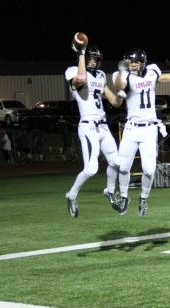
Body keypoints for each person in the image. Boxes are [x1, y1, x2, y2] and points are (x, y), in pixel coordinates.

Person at [112, 48, 170, 217]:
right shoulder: (124, 75)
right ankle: (124, 196)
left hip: (149, 129)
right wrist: (121, 72)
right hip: (131, 128)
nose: (133, 65)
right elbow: (120, 86)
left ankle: (144, 197)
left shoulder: (153, 72)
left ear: (143, 63)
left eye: (136, 62)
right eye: (131, 62)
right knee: (123, 167)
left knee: (149, 169)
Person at [64, 43, 125, 218]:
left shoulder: (100, 75)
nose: (93, 62)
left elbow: (113, 101)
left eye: (95, 59)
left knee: (117, 162)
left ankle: (110, 191)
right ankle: (72, 195)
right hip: (88, 126)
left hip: (103, 126)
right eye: (90, 58)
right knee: (91, 169)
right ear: (81, 57)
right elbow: (80, 80)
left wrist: (121, 95)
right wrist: (82, 53)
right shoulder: (73, 71)